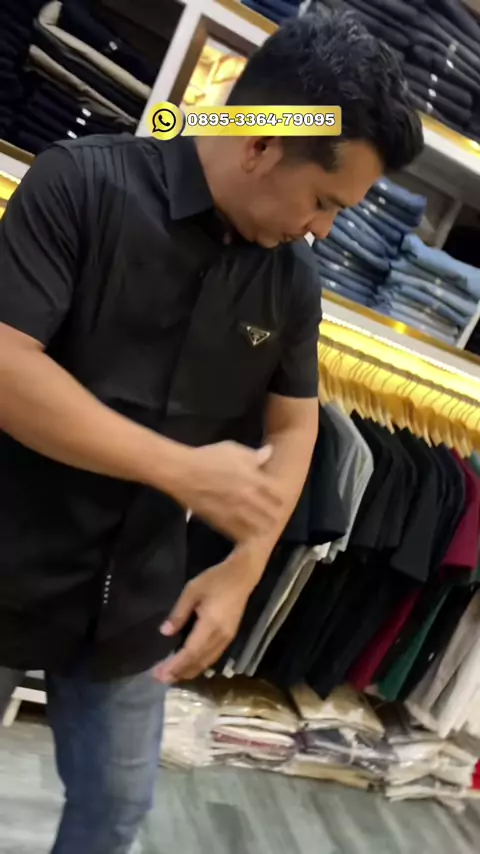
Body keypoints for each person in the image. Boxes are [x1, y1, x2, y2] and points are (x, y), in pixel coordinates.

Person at [0, 10, 422, 854]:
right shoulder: (81, 184)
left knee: (116, 812)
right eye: (324, 202)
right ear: (260, 144)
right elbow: (8, 364)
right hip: (8, 554)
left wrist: (245, 566)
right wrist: (181, 470)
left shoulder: (292, 282)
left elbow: (294, 428)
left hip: (136, 599)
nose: (324, 229)